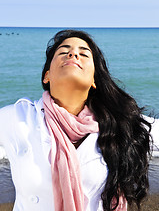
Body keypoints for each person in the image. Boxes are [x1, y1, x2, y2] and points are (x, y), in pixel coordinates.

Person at [0, 29, 159, 211]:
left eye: (83, 54)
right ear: (47, 75)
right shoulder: (18, 117)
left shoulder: (119, 123)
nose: (73, 53)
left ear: (93, 80)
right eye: (63, 51)